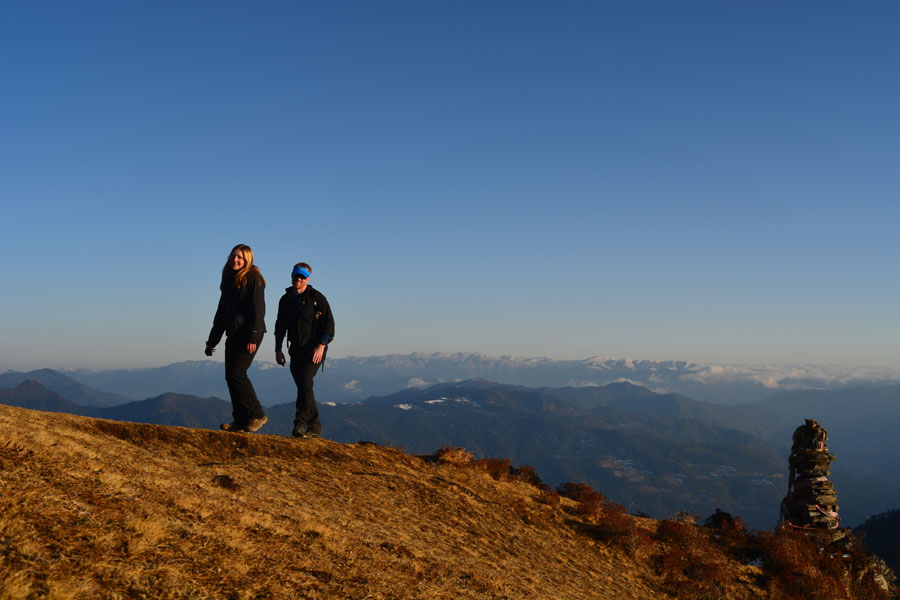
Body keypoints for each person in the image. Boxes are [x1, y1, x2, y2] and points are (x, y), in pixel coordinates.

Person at [205, 244, 268, 433]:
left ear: (247, 260)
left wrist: (253, 337)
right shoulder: (229, 280)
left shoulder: (254, 278)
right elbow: (222, 313)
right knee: (230, 376)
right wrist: (212, 341)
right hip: (233, 332)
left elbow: (258, 310)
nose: (235, 259)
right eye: (233, 256)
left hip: (249, 333)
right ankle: (241, 420)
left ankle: (257, 415)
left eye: (240, 257)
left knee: (237, 373)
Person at [274, 262, 335, 438]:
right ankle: (315, 427)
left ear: (308, 279)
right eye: (296, 275)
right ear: (292, 276)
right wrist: (278, 349)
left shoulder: (317, 298)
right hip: (296, 349)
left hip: (314, 349)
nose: (298, 279)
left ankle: (300, 423)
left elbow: (329, 324)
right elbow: (280, 326)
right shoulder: (285, 300)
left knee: (305, 380)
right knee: (304, 386)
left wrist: (321, 346)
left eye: (302, 276)